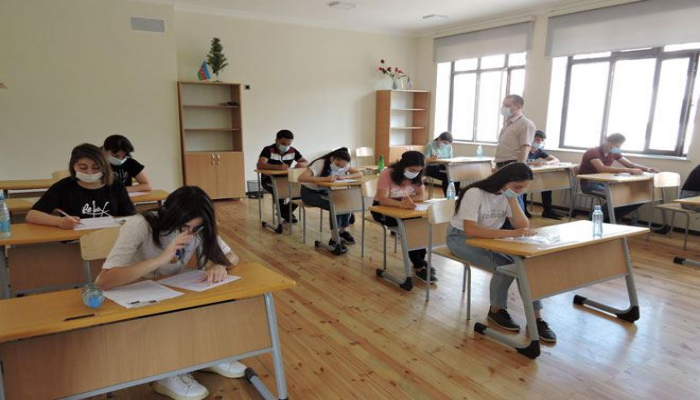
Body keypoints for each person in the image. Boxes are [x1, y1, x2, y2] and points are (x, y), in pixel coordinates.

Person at [95, 186, 244, 400]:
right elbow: (103, 281)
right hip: (136, 292)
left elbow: (232, 256)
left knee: (212, 300)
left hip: (170, 289)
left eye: (196, 229)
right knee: (166, 316)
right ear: (169, 214)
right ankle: (166, 373)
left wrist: (219, 264)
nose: (190, 234)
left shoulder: (199, 226)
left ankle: (208, 354)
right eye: (184, 227)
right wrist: (160, 259)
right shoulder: (139, 225)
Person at [446, 163, 556, 343]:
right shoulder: (474, 193)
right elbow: (470, 230)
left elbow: (522, 226)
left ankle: (536, 319)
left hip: (491, 238)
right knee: (506, 266)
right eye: (517, 187)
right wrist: (509, 233)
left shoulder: (509, 195)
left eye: (523, 188)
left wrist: (512, 199)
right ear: (504, 180)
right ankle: (496, 311)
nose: (520, 191)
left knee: (525, 264)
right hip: (460, 238)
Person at [26, 143, 135, 228]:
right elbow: (32, 215)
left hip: (109, 236)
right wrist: (59, 221)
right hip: (75, 240)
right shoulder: (63, 186)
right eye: (83, 168)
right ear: (73, 167)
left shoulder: (115, 185)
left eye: (96, 168)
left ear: (104, 167)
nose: (89, 173)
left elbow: (130, 216)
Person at [371, 151, 435, 282]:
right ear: (403, 165)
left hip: (405, 208)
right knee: (409, 229)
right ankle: (419, 265)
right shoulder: (387, 174)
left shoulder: (417, 176)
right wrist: (401, 204)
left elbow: (420, 195)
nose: (415, 173)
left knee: (420, 225)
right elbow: (382, 199)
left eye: (418, 170)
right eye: (412, 170)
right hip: (382, 209)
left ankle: (420, 260)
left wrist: (407, 202)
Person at [579, 133, 660, 222]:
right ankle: (594, 221)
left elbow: (630, 164)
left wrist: (648, 169)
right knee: (616, 197)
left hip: (606, 183)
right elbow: (601, 168)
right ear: (607, 141)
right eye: (615, 145)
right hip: (590, 184)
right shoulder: (593, 151)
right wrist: (628, 170)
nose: (616, 148)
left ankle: (608, 221)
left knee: (638, 198)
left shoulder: (614, 151)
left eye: (618, 146)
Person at [298, 148, 362, 253]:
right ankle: (334, 239)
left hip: (325, 192)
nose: (339, 167)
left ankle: (342, 232)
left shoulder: (343, 164)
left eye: (342, 166)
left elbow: (359, 173)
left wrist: (345, 177)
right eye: (337, 164)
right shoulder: (320, 163)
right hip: (309, 193)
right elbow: (301, 178)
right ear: (332, 159)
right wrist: (324, 179)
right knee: (335, 205)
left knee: (344, 202)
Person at [257, 130, 309, 223]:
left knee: (301, 191)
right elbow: (260, 165)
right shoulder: (268, 150)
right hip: (269, 180)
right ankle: (285, 212)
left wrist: (302, 164)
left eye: (289, 144)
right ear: (276, 140)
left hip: (287, 179)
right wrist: (277, 167)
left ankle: (285, 211)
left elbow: (305, 162)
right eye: (283, 144)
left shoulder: (293, 150)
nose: (286, 146)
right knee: (279, 191)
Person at [523, 130, 563, 220]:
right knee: (524, 186)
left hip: (534, 175)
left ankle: (548, 210)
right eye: (537, 139)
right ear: (531, 139)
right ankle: (523, 209)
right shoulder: (524, 149)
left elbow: (556, 160)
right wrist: (532, 163)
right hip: (523, 175)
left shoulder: (539, 151)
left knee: (547, 184)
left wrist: (546, 163)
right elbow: (518, 162)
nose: (539, 142)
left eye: (542, 140)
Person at [424, 131, 459, 196]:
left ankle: (455, 196)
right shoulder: (430, 146)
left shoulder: (449, 147)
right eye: (444, 143)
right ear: (439, 139)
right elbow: (424, 161)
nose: (445, 145)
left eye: (447, 144)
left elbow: (450, 160)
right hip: (431, 167)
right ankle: (448, 197)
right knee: (447, 176)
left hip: (444, 166)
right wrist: (431, 159)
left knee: (456, 175)